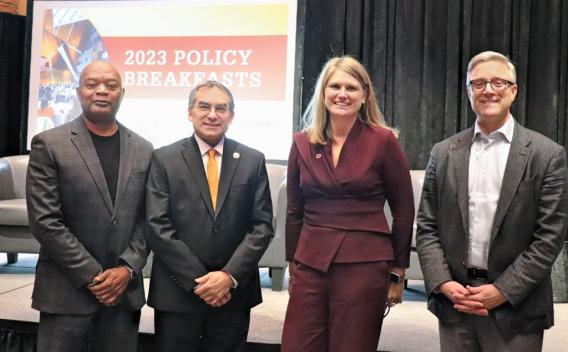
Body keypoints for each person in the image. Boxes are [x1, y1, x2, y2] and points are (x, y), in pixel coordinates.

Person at [416, 51, 568, 351]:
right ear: (468, 91)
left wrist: (502, 290)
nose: (488, 90)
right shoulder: (442, 152)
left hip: (516, 307)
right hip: (455, 303)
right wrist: (443, 283)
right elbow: (427, 227)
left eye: (498, 82)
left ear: (513, 90)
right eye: (479, 83)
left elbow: (549, 238)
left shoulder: (547, 155)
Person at [281, 56, 415, 351]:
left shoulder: (383, 141)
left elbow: (404, 210)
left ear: (365, 95)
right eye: (335, 86)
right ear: (323, 91)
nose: (343, 94)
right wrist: (293, 263)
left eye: (352, 87)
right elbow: (294, 209)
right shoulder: (302, 142)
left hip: (365, 264)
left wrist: (398, 270)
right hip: (310, 262)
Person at [26, 60, 153, 352]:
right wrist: (95, 277)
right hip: (66, 292)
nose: (101, 91)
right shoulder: (49, 143)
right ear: (78, 91)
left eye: (111, 86)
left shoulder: (144, 149)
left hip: (123, 292)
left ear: (122, 93)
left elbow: (149, 219)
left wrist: (126, 270)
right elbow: (46, 222)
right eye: (92, 84)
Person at [146, 80, 274, 352]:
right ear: (190, 112)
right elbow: (157, 226)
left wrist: (228, 277)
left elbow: (262, 226)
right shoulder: (164, 158)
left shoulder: (253, 160)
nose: (212, 114)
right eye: (204, 106)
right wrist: (201, 282)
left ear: (232, 115)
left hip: (233, 295)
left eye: (221, 108)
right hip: (177, 293)